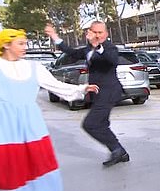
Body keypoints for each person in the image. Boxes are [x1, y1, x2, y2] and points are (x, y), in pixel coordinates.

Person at [0, 29, 98, 191]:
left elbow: (55, 86)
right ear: (6, 45)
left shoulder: (34, 68)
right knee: (5, 163)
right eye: (21, 43)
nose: (25, 47)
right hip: (1, 122)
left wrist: (81, 89)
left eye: (25, 43)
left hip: (30, 120)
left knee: (37, 159)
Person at [44, 22, 129, 167]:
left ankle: (117, 150)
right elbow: (71, 52)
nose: (97, 35)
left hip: (109, 92)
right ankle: (118, 151)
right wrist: (54, 36)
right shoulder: (88, 49)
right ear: (89, 32)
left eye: (100, 32)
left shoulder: (110, 48)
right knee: (101, 124)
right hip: (96, 92)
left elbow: (112, 60)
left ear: (106, 34)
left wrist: (97, 46)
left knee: (90, 124)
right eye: (94, 32)